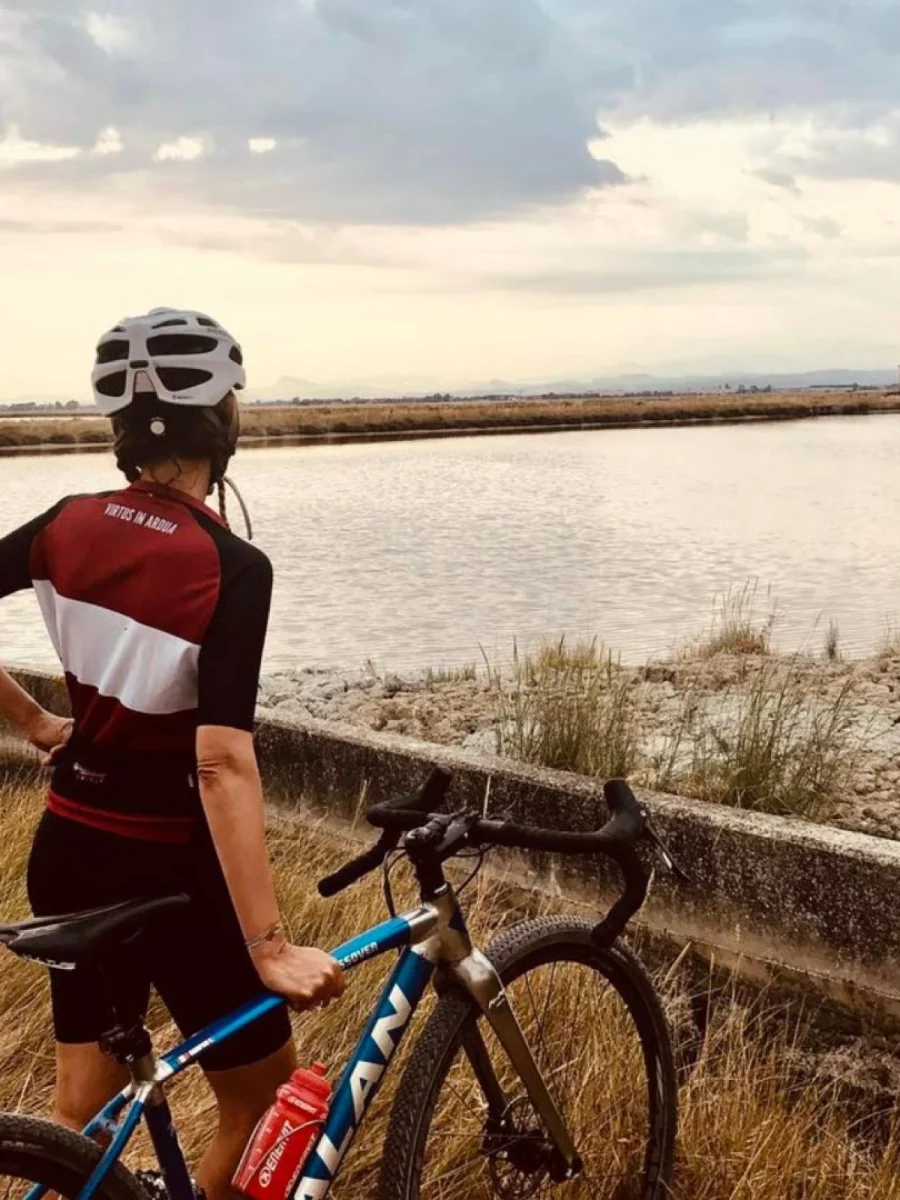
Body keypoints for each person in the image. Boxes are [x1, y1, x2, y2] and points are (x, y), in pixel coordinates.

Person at [0, 308, 346, 1200]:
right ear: (221, 420)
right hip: (174, 868)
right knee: (263, 1105)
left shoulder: (64, 524)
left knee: (80, 1116)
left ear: (122, 426)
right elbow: (222, 763)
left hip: (70, 847)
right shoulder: (231, 565)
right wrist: (269, 946)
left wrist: (37, 723)